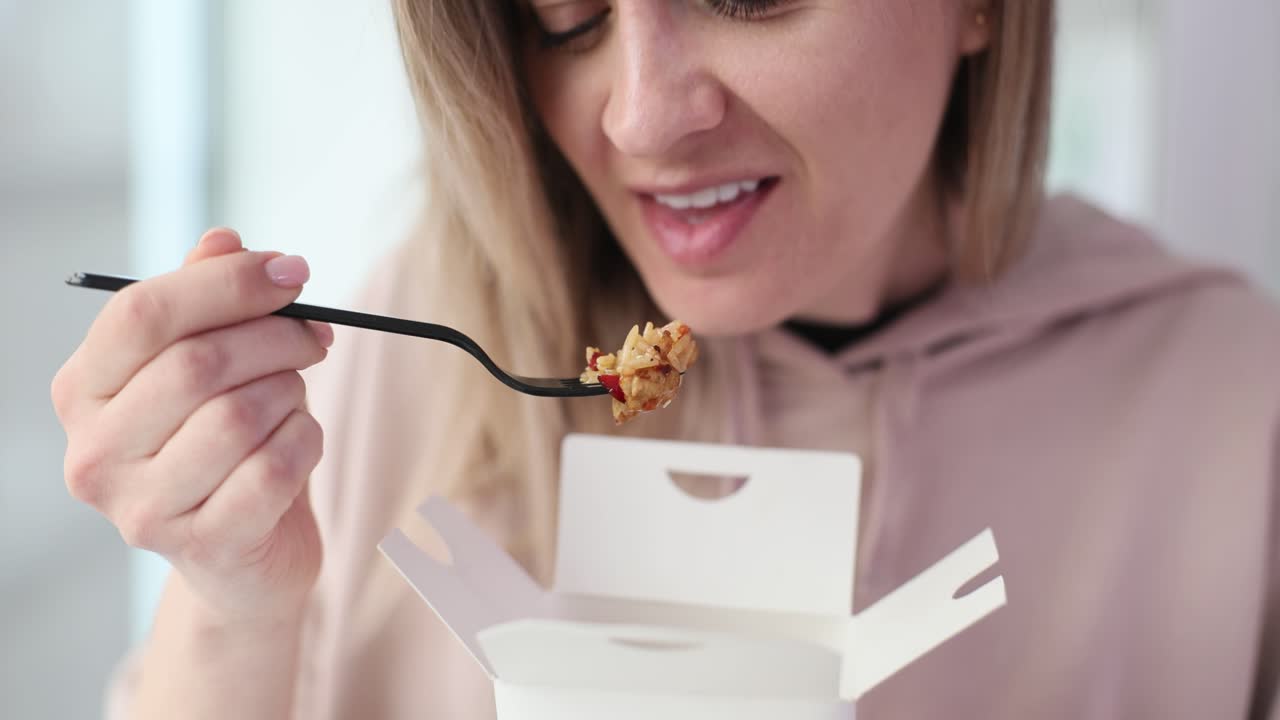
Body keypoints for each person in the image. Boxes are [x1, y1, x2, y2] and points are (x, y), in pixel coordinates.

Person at [50, 1, 1278, 718]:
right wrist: (231, 606)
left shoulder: (1232, 407)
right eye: (567, 16)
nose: (639, 116)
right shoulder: (399, 358)